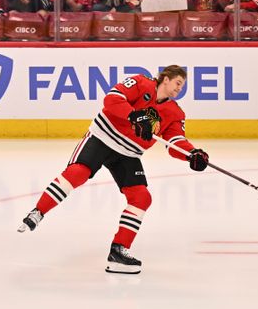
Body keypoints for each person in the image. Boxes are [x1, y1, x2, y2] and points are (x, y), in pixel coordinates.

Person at [18, 65, 209, 274]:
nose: (179, 89)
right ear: (165, 79)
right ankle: (38, 212)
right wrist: (134, 116)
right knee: (77, 173)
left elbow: (175, 141)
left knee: (141, 198)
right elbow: (111, 99)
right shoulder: (140, 82)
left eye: (182, 86)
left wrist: (192, 154)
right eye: (177, 83)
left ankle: (119, 251)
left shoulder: (175, 112)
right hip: (102, 138)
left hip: (128, 153)